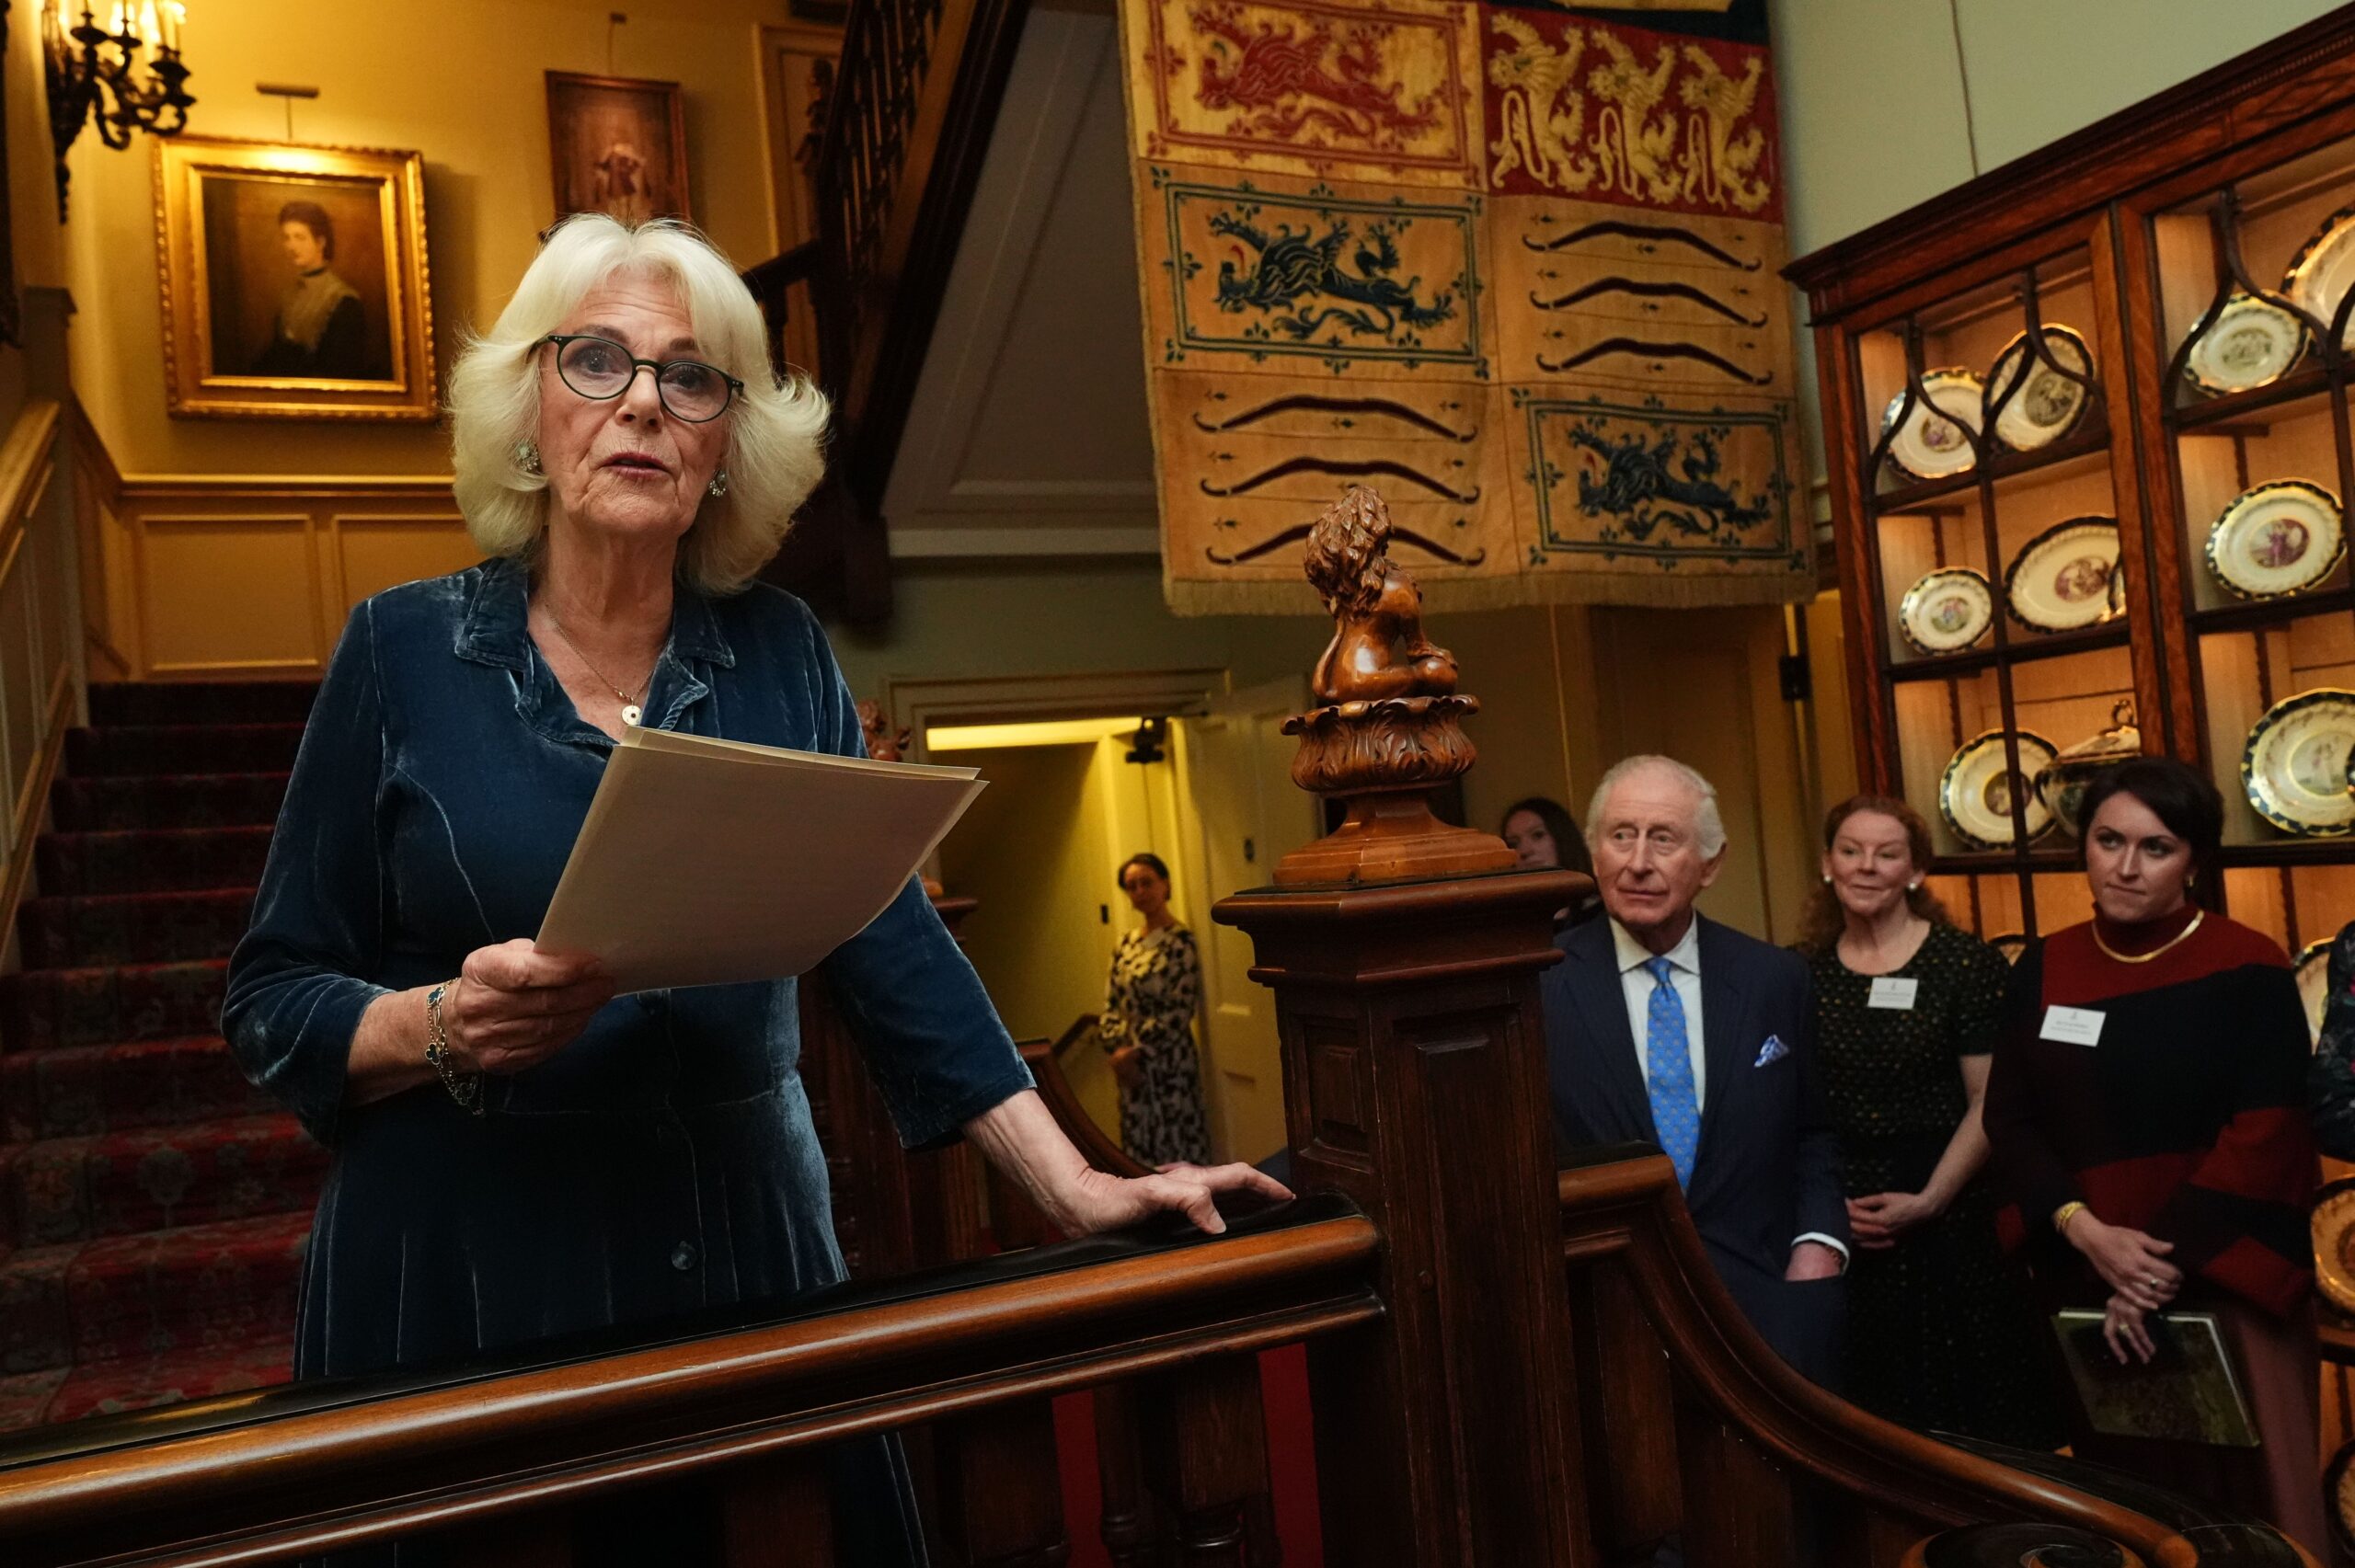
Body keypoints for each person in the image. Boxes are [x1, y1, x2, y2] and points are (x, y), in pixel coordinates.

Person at [221, 214, 1286, 1565]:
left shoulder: (780, 649)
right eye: (595, 361)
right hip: (474, 1272)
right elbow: (271, 997)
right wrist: (437, 1025)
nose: (642, 406)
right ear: (529, 412)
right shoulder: (402, 650)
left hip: (745, 1252)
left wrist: (1072, 1183)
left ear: (725, 442)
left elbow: (888, 939)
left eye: (690, 377)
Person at [1982, 758, 2323, 1554]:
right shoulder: (2044, 965)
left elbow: (2269, 1129)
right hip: (2083, 1279)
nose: (2126, 866)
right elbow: (2011, 1117)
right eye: (2109, 841)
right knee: (2125, 1513)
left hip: (2225, 1278)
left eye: (2155, 847)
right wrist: (2085, 1232)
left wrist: (2148, 1268)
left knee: (2257, 1516)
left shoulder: (2250, 963)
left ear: (2194, 859)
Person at [1540, 755, 1849, 1386]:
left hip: (1763, 1311)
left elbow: (1813, 1132)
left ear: (1710, 863)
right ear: (1594, 853)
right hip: (1600, 1318)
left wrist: (1819, 1246)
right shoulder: (1539, 983)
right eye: (1620, 835)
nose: (1638, 862)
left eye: (1664, 838)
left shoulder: (1774, 979)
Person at [1798, 795, 2062, 1447]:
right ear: (1828, 864)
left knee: (1971, 1422)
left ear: (1916, 870)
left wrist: (1930, 1199)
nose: (1866, 866)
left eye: (1887, 854)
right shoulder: (1798, 971)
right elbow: (1791, 1107)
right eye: (1851, 850)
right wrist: (1828, 1209)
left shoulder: (1963, 965)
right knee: (1863, 1426)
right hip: (1843, 1219)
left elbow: (1989, 1100)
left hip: (1950, 1215)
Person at [1098, 852, 1212, 1166]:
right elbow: (1111, 1004)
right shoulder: (1125, 944)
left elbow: (1179, 1010)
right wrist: (1117, 1050)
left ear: (1165, 884)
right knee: (1139, 1152)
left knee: (1177, 1149)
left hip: (1169, 1062)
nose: (1140, 892)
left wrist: (1136, 1052)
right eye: (1131, 886)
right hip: (1130, 1070)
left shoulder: (1180, 941)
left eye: (1146, 883)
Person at [249, 200, 369, 379]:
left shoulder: (344, 300)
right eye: (287, 238)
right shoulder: (288, 295)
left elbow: (339, 371)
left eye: (300, 237)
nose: (291, 246)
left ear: (320, 242)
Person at [1501, 795, 1602, 926]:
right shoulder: (1508, 921)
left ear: (1562, 837)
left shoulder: (1600, 913)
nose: (1524, 851)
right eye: (1513, 844)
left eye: (1538, 835)